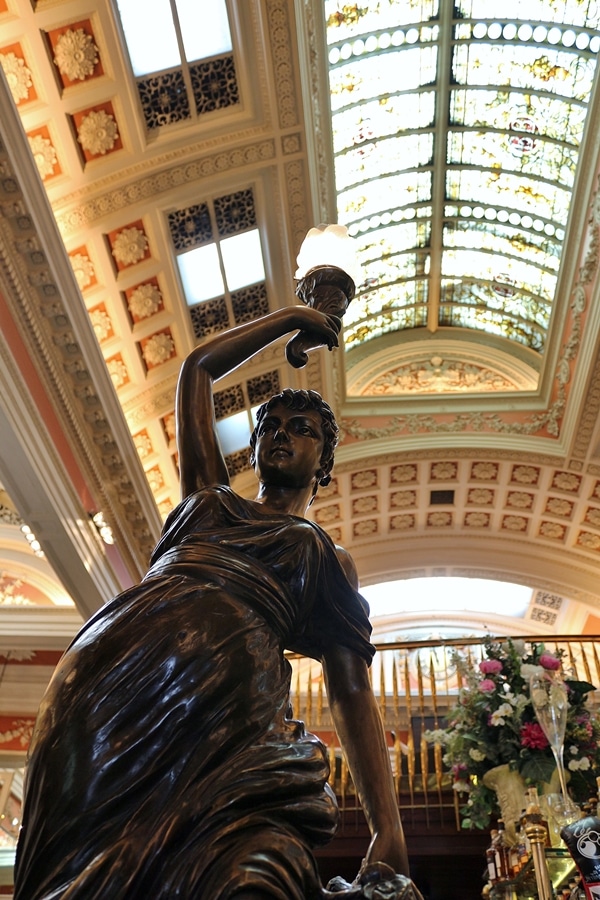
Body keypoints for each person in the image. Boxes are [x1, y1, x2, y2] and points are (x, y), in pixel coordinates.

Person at [14, 306, 417, 899]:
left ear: (324, 462)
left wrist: (389, 827)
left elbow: (349, 690)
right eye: (270, 424)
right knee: (80, 856)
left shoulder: (327, 557)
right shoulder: (209, 497)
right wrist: (291, 319)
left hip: (230, 720)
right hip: (110, 681)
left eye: (301, 427)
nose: (281, 432)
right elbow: (198, 370)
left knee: (248, 870)